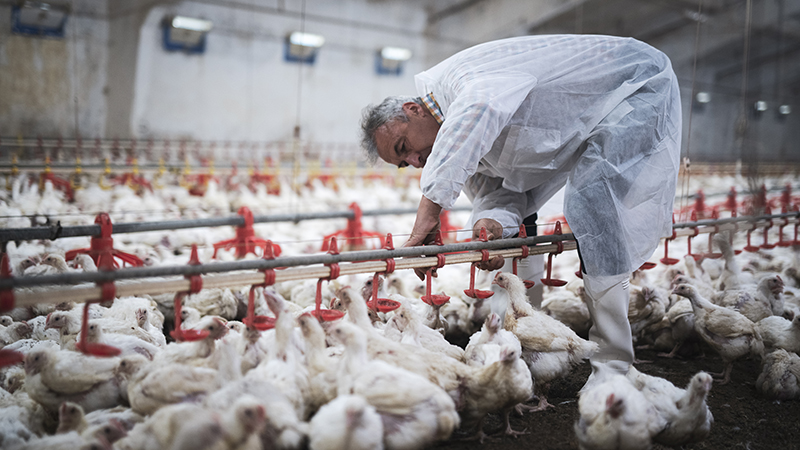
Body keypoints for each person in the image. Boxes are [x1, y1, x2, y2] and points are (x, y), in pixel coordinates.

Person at [359, 35, 681, 380]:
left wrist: (429, 210)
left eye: (404, 146)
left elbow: (478, 111)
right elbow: (498, 196)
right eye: (405, 162)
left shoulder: (459, 82)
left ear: (414, 109)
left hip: (633, 86)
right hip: (599, 114)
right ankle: (530, 334)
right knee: (559, 212)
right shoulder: (458, 150)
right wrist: (490, 226)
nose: (414, 160)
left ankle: (614, 365)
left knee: (593, 201)